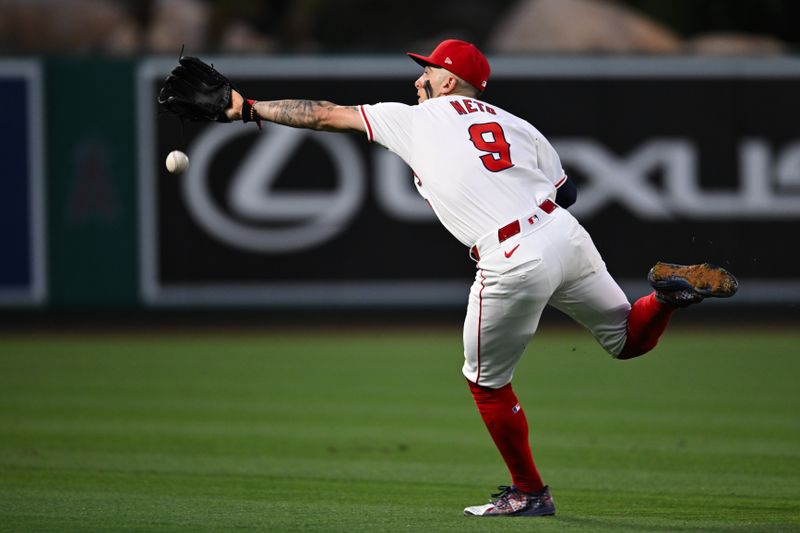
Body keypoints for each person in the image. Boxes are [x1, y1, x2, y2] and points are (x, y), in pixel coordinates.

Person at [212, 39, 738, 517]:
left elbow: (325, 115)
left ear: (448, 81)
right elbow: (567, 192)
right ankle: (666, 299)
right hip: (562, 231)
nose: (418, 79)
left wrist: (247, 108)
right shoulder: (517, 124)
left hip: (512, 254)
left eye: (428, 70)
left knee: (485, 383)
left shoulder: (418, 119)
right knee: (626, 340)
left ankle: (529, 493)